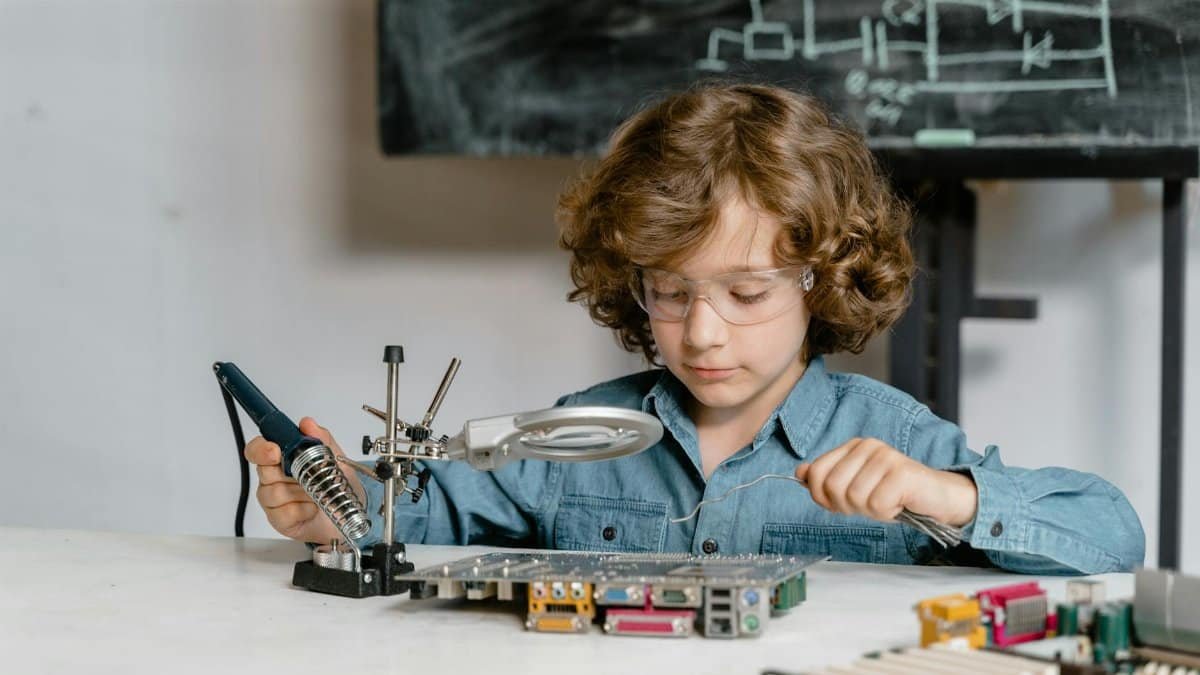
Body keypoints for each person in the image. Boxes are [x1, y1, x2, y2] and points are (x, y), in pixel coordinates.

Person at [245, 82, 1144, 574]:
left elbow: (1111, 537)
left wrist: (951, 496)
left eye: (746, 294)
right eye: (669, 293)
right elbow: (425, 514)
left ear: (820, 277)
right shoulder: (578, 434)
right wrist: (338, 505)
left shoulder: (895, 441)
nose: (703, 333)